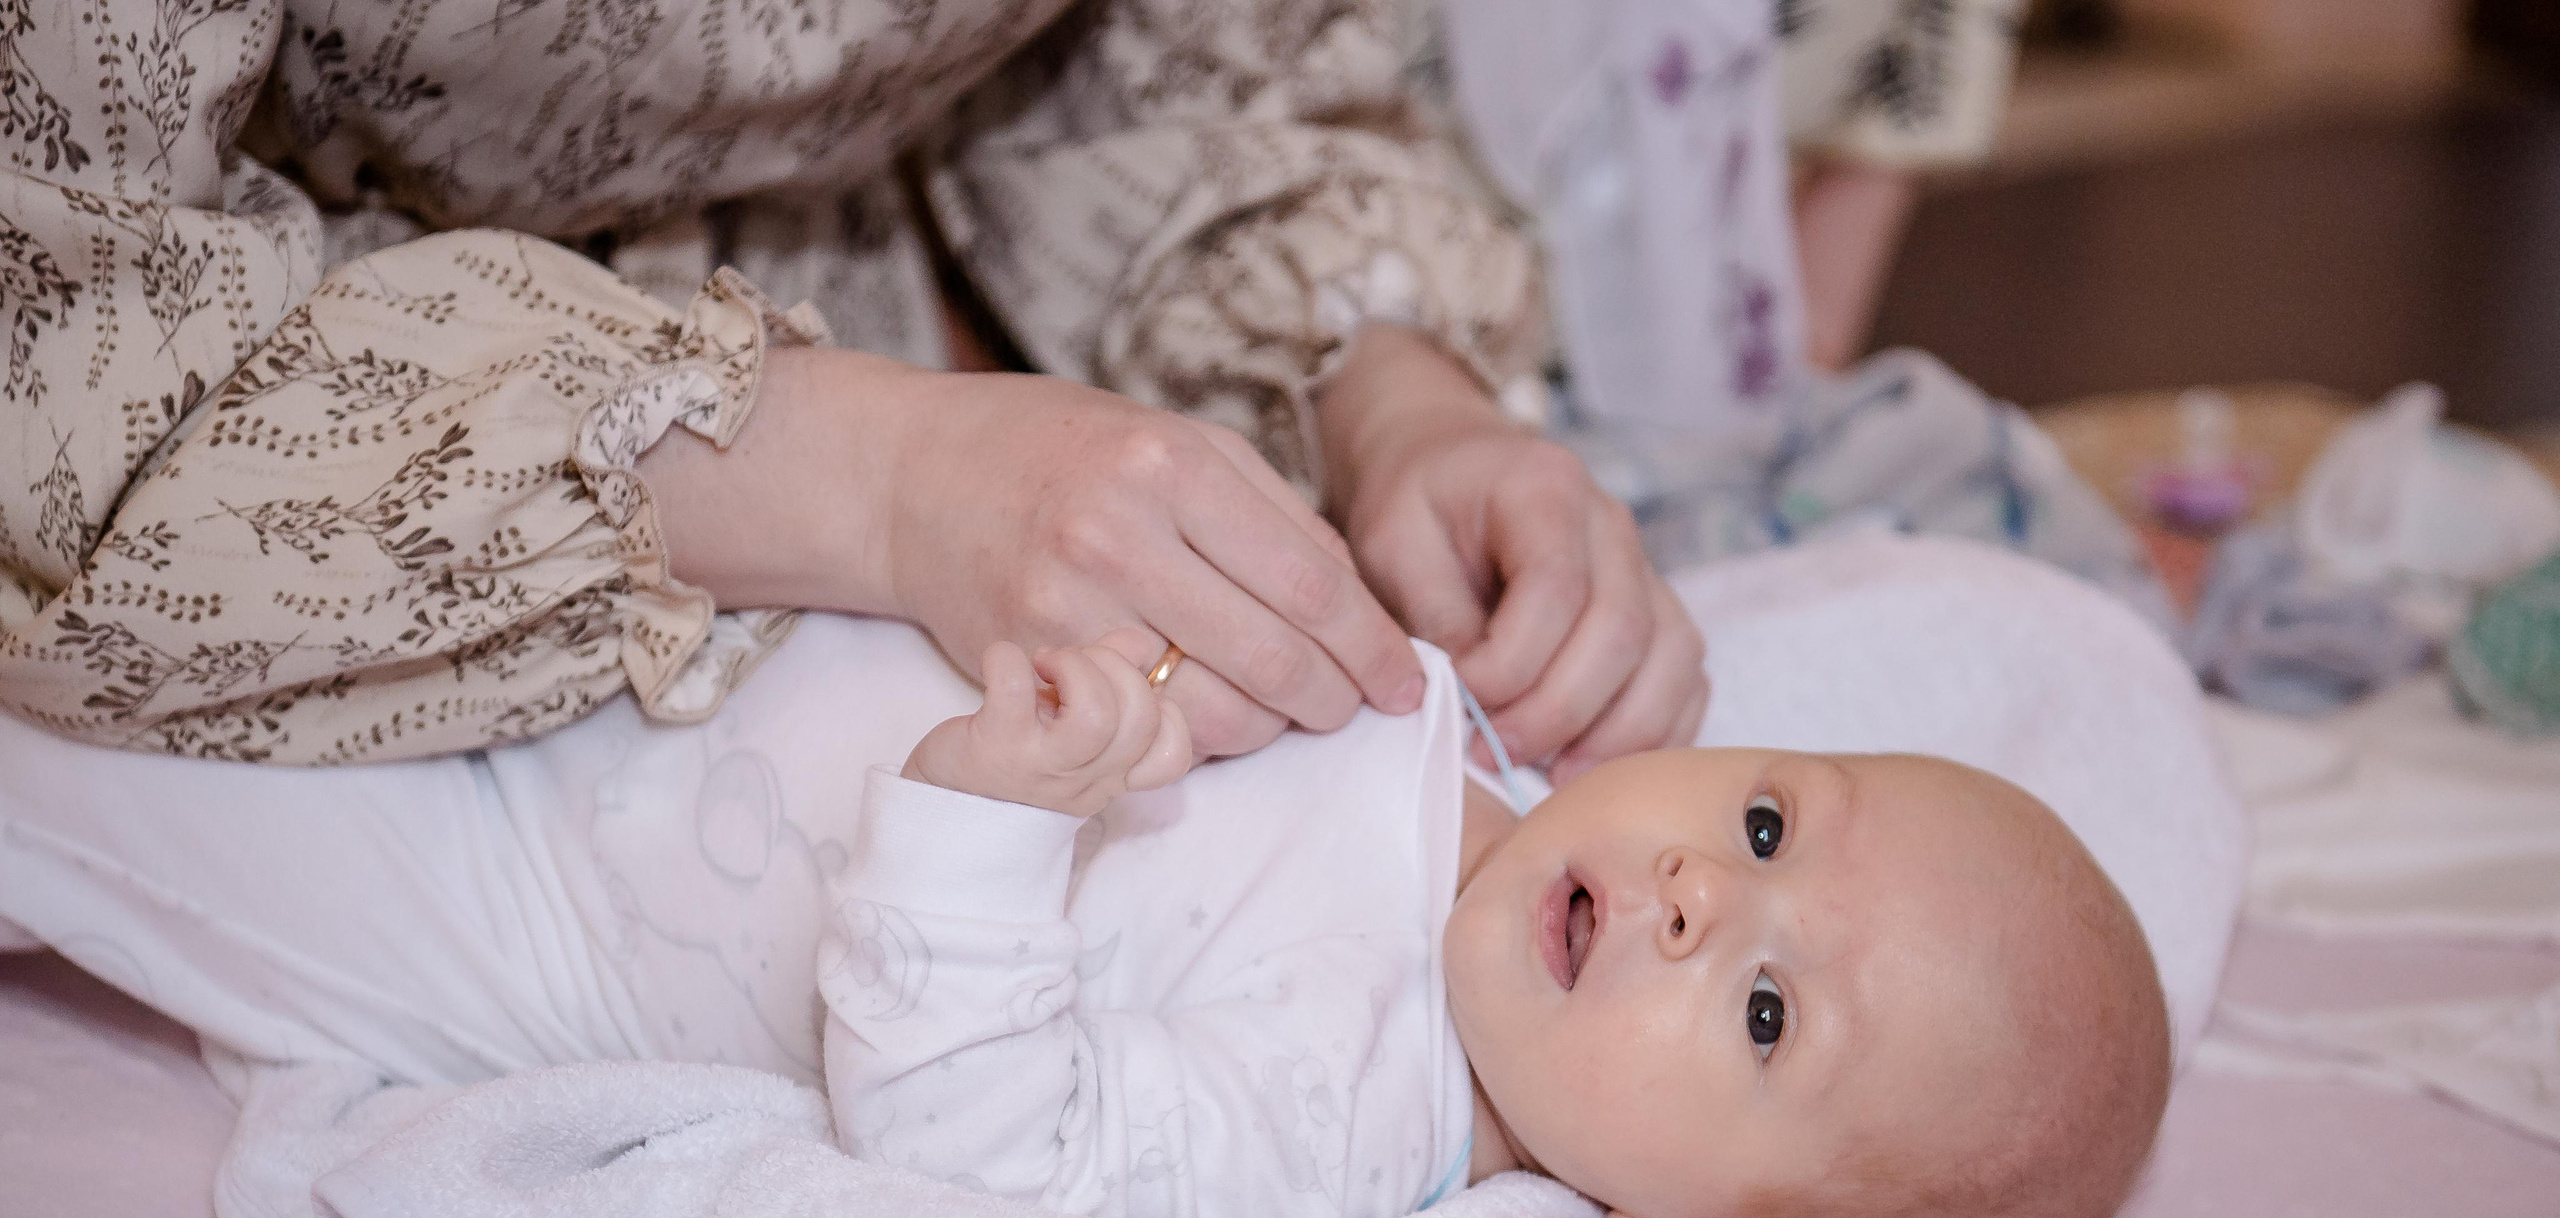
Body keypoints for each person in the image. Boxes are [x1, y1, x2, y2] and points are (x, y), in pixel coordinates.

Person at [0, 0, 1699, 782]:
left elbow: (1174, 75)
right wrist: (869, 479)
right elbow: (72, 366)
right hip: (340, 560)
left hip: (983, 419)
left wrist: (1396, 400)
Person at [824, 628, 2171, 1218]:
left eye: (1768, 1014)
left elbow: (982, 1163)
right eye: (1766, 827)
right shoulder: (1479, 737)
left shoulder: (1353, 1112)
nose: (1706, 889)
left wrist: (978, 828)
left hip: (646, 852)